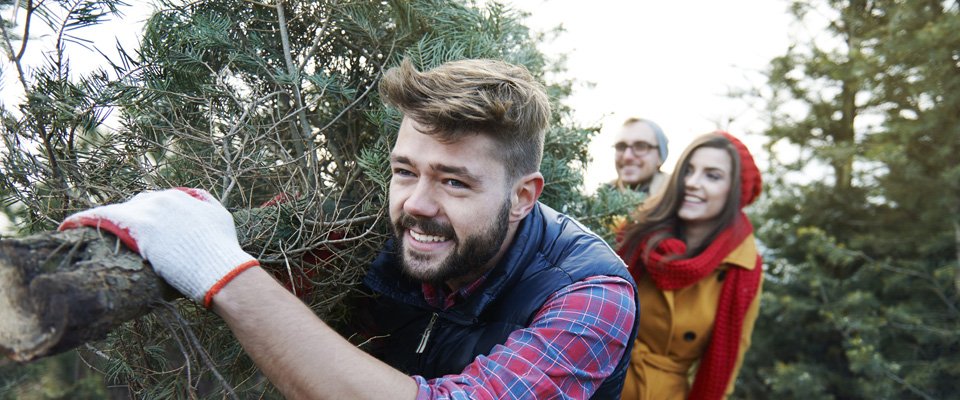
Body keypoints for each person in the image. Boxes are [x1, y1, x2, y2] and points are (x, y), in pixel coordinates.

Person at [58, 58, 639, 399]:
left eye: (455, 183)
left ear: (523, 197)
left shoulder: (589, 297)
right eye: (404, 171)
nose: (416, 204)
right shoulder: (380, 233)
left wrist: (222, 272)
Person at [615, 131, 764, 400]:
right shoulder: (636, 230)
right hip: (601, 381)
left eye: (712, 176)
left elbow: (727, 364)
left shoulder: (743, 269)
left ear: (734, 192)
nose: (692, 183)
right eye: (688, 171)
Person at [608, 118, 669, 195]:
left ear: (660, 157)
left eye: (641, 146)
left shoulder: (679, 199)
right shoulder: (598, 201)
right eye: (621, 146)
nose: (627, 156)